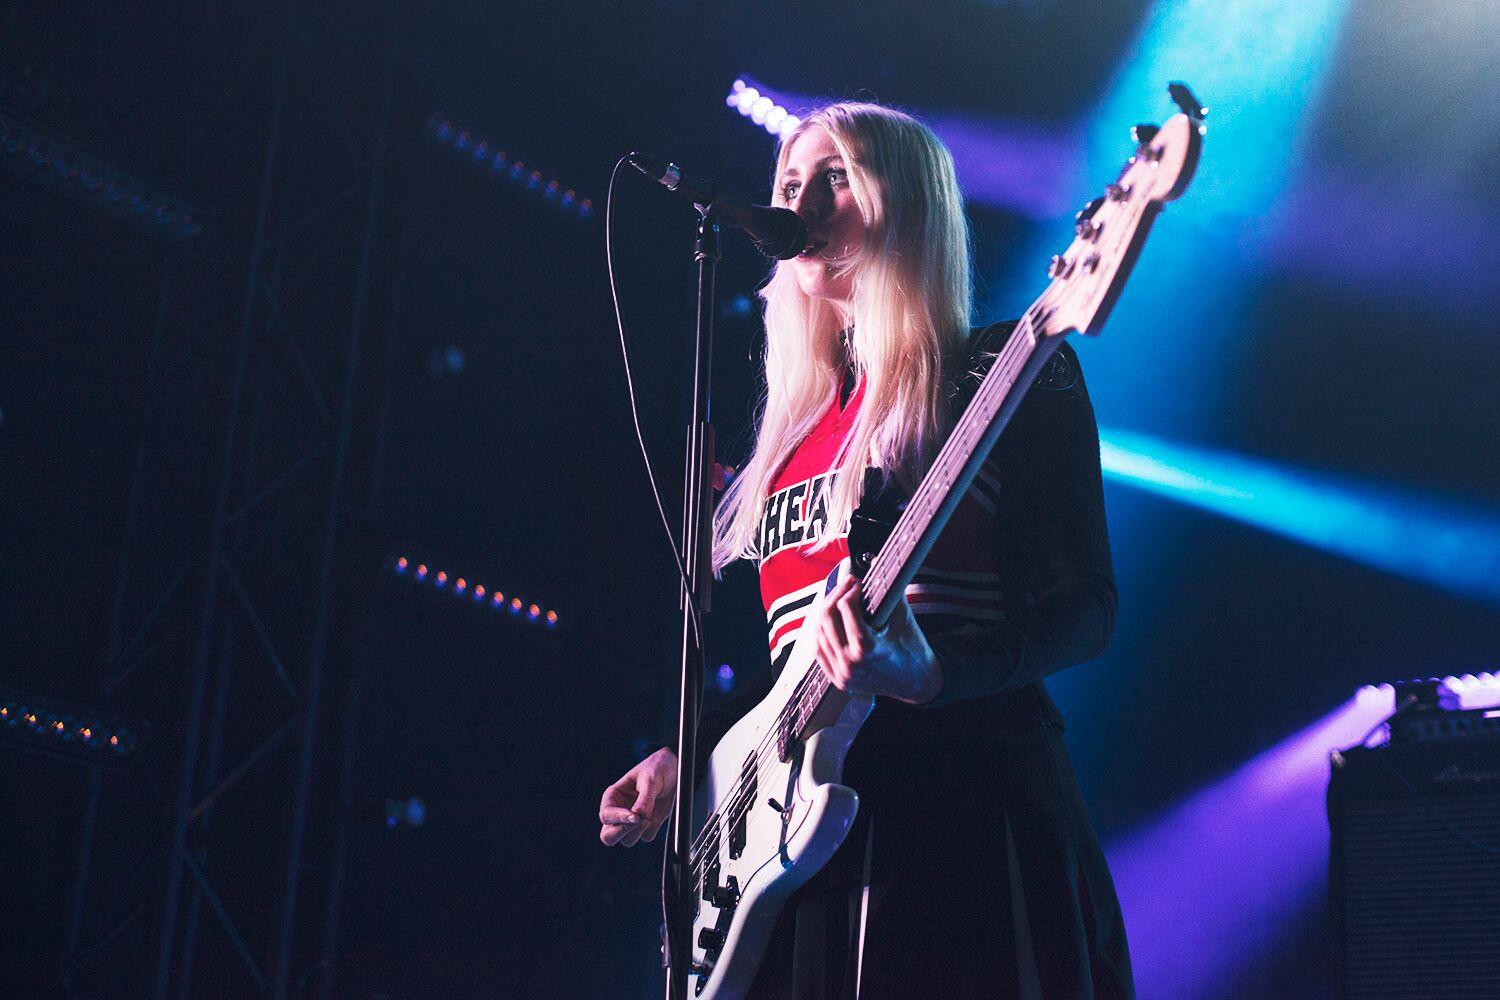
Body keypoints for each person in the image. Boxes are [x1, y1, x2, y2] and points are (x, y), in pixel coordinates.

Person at [599, 102, 1134, 999]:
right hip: (799, 855)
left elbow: (1088, 610)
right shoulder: (791, 442)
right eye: (788, 182)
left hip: (966, 809)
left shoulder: (998, 375)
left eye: (835, 175)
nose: (801, 198)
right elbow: (784, 667)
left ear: (907, 204)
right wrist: (693, 773)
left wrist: (934, 672)